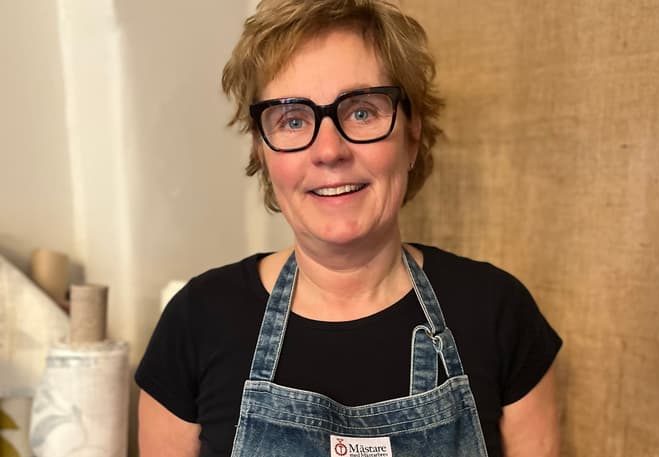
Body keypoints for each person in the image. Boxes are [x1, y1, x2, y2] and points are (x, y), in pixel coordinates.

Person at [136, 1, 562, 456]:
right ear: (262, 151)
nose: (329, 151)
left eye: (361, 112)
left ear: (412, 134)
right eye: (293, 120)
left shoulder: (498, 313)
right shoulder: (197, 322)